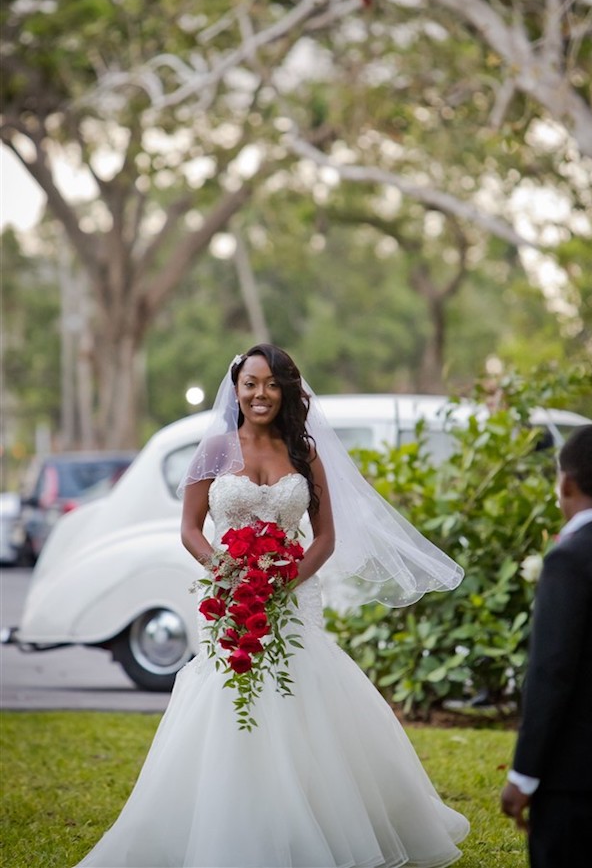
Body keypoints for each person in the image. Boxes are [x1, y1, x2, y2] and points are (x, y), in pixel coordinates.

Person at [75, 343, 469, 868]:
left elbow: (325, 537)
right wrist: (226, 573)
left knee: (304, 696)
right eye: (251, 384)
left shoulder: (304, 453)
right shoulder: (215, 449)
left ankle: (320, 827)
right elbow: (191, 529)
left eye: (272, 384)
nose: (261, 394)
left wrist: (286, 582)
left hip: (295, 595)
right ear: (236, 390)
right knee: (232, 695)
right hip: (230, 597)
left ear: (287, 391)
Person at [501, 423, 592, 868]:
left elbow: (551, 672)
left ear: (566, 482)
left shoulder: (568, 559)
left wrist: (523, 775)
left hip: (572, 764)